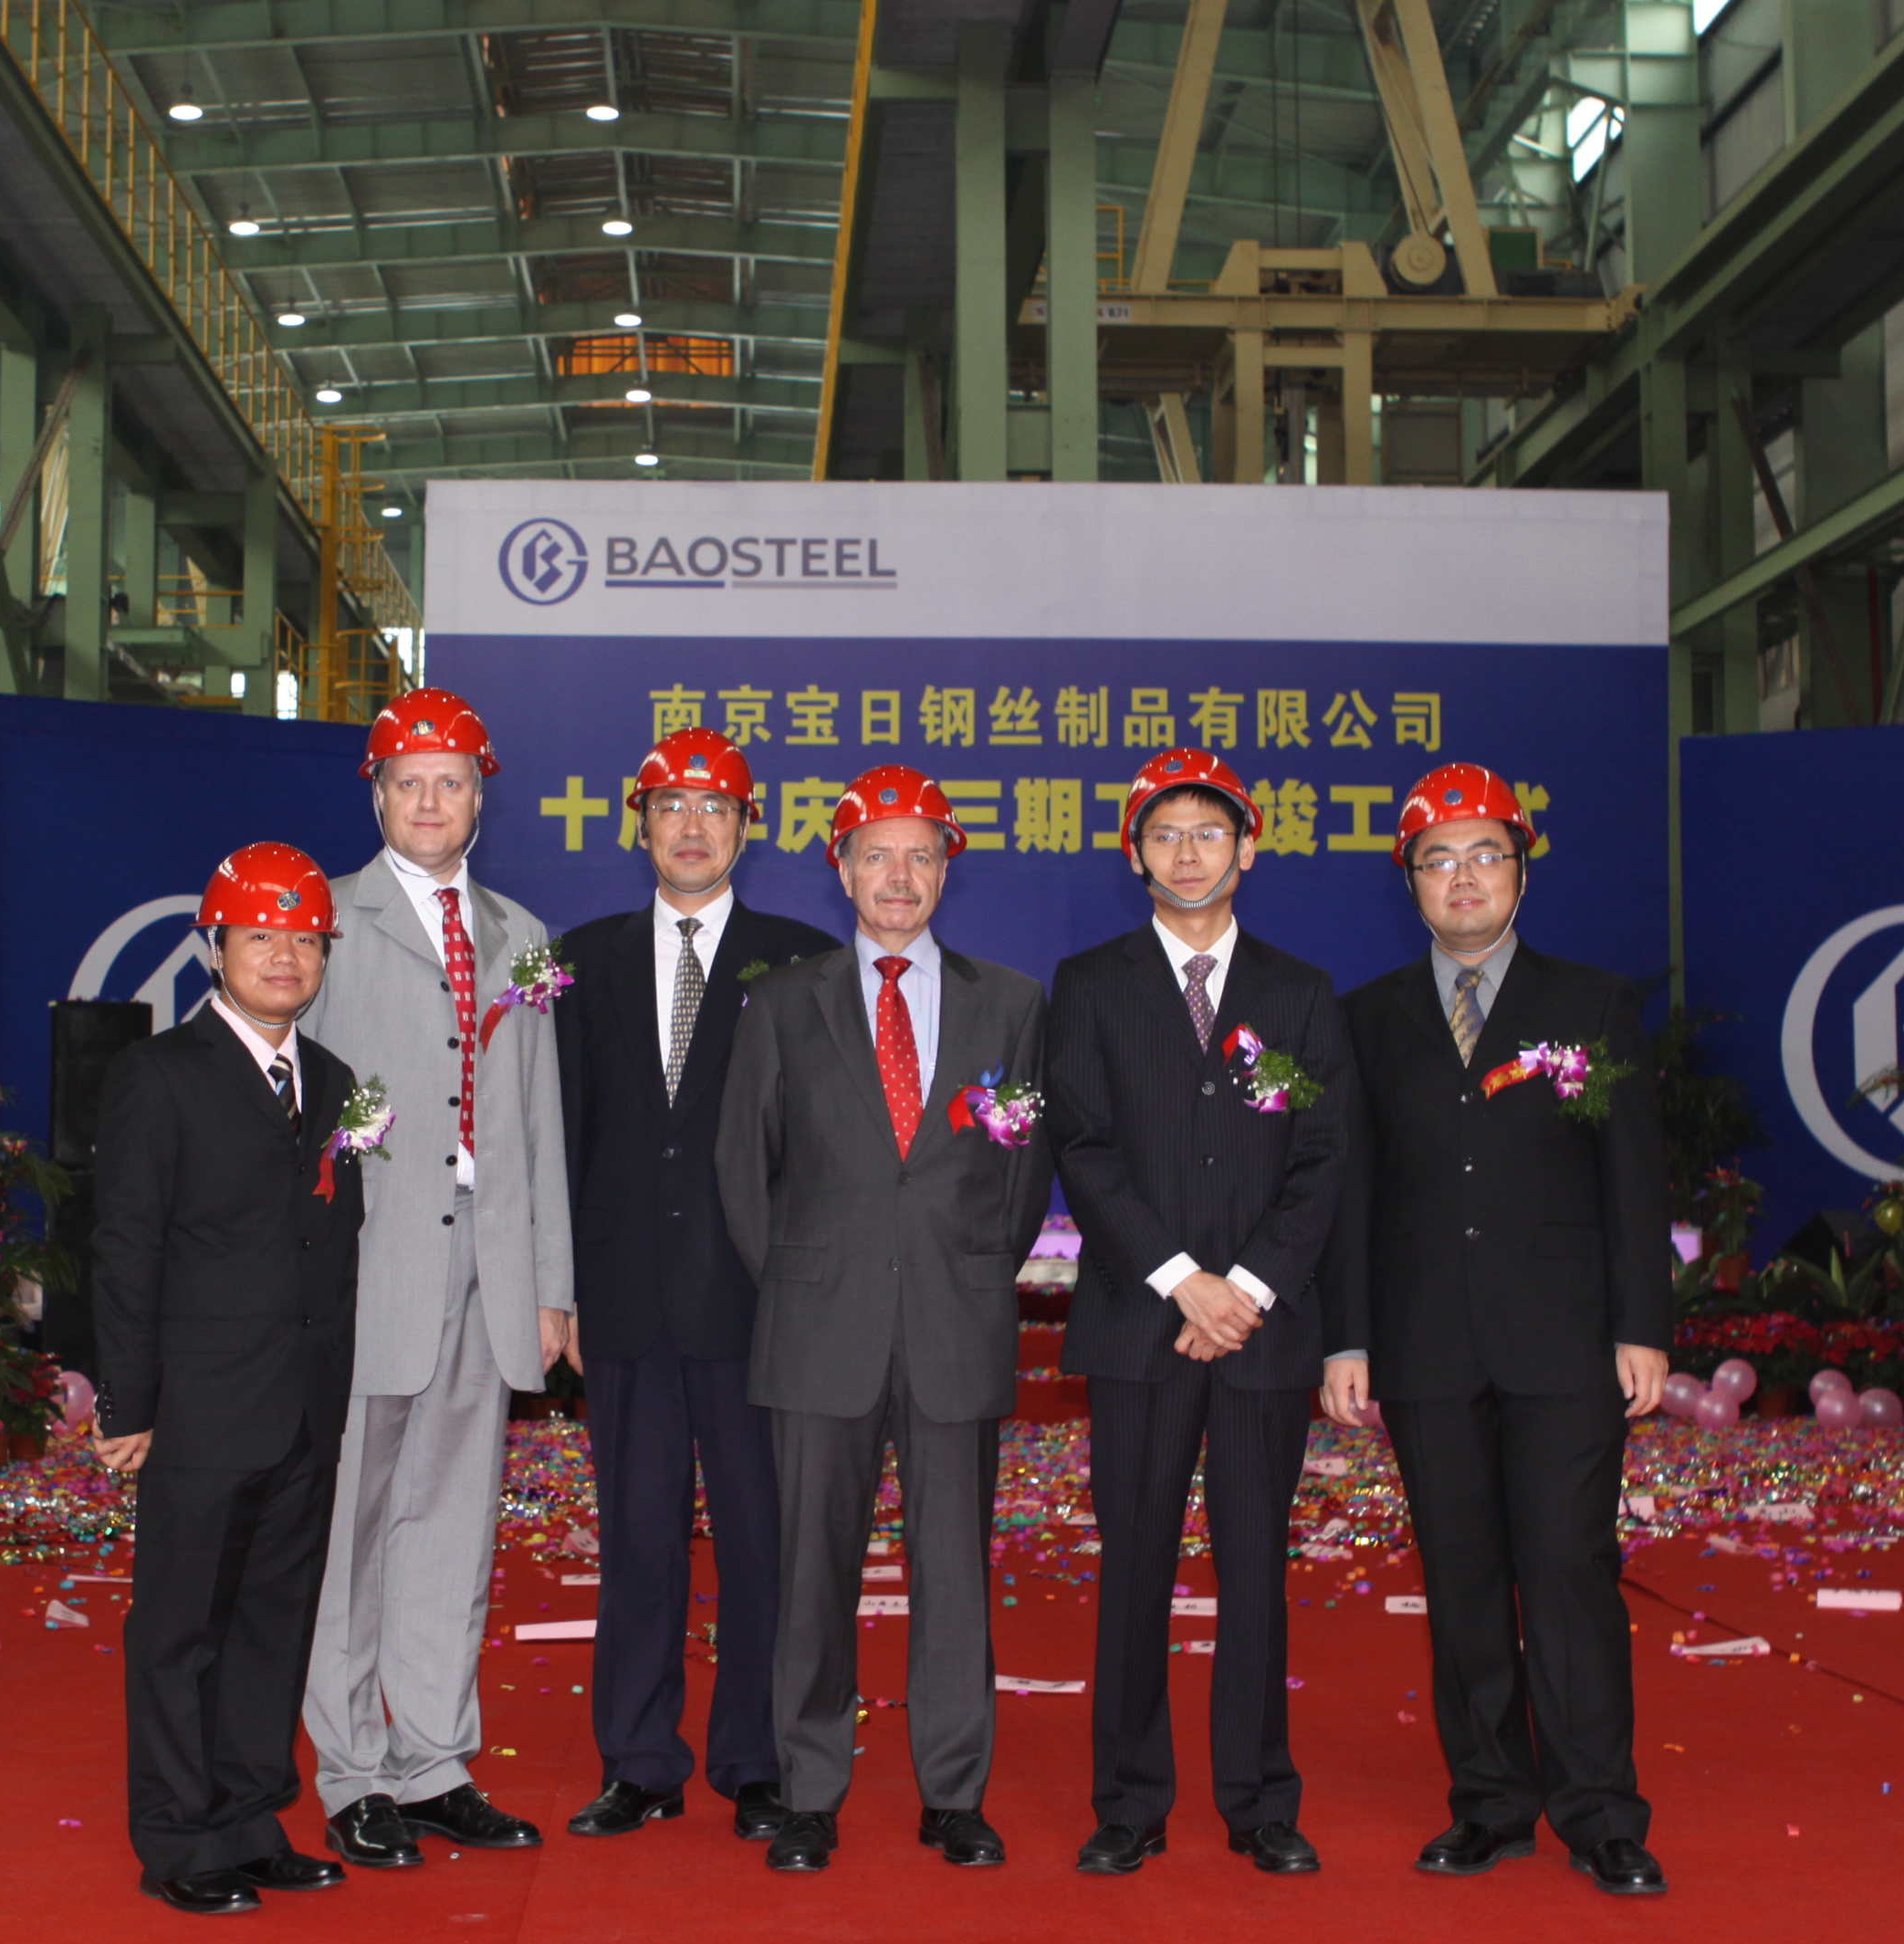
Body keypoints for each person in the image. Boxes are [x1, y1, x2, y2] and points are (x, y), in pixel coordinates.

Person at [1323, 760, 1672, 1897]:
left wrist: (1642, 1322)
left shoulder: (1594, 1004)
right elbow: (1353, 1192)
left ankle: (1603, 1813)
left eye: (1485, 857)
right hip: (1425, 1346)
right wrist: (1349, 1337)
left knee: (1567, 1570)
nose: (1462, 879)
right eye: (1438, 861)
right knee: (1464, 1579)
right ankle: (1489, 1804)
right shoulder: (1367, 1017)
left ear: (1520, 873)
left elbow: (1632, 1173)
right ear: (1409, 883)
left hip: (1566, 1341)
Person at [716, 765, 1054, 1874]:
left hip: (955, 1322)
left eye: (920, 856)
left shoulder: (1011, 1002)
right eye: (876, 854)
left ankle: (953, 1793)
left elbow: (1019, 1178)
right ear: (841, 870)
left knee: (954, 1572)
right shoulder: (783, 1000)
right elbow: (744, 1171)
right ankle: (809, 1791)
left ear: (946, 870)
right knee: (811, 1571)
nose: (898, 876)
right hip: (819, 1329)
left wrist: (957, 1271)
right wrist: (812, 1279)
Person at [1047, 748, 1354, 1878]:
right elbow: (1082, 1147)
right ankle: (1129, 1800)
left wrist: (1251, 1289)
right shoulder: (1091, 984)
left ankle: (1260, 1799)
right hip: (1142, 1324)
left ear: (1248, 849)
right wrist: (1183, 1279)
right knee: (1134, 1563)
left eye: (1209, 833)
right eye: (1165, 833)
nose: (1188, 851)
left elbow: (1322, 1156)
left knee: (1256, 1566)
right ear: (1137, 854)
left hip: (1263, 1333)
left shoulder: (1301, 991)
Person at [299, 688, 574, 1867]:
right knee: (352, 1528)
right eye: (408, 779)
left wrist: (552, 1283)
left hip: (491, 1272)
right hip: (366, 1267)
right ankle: (353, 1767)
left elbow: (541, 1123)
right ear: (376, 793)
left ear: (480, 798)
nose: (430, 799)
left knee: (454, 1534)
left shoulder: (520, 934)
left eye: (452, 781)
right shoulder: (327, 920)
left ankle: (433, 1761)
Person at [555, 728, 836, 1843]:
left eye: (714, 808)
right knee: (636, 1537)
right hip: (623, 1301)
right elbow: (566, 1133)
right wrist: (559, 1290)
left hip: (761, 1306)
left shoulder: (805, 961)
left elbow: (825, 1146)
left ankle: (756, 1760)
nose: (691, 826)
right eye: (669, 806)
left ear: (747, 828)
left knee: (765, 1540)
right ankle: (639, 1760)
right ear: (640, 824)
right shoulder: (584, 961)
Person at [90, 842, 366, 1918]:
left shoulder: (336, 1082)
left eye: (305, 937)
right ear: (216, 948)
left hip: (303, 1406)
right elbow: (125, 1246)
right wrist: (128, 1402)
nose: (287, 956)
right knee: (178, 1629)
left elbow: (332, 1242)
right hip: (200, 1409)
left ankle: (251, 1818)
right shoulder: (159, 1076)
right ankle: (177, 1836)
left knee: (270, 1626)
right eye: (262, 936)